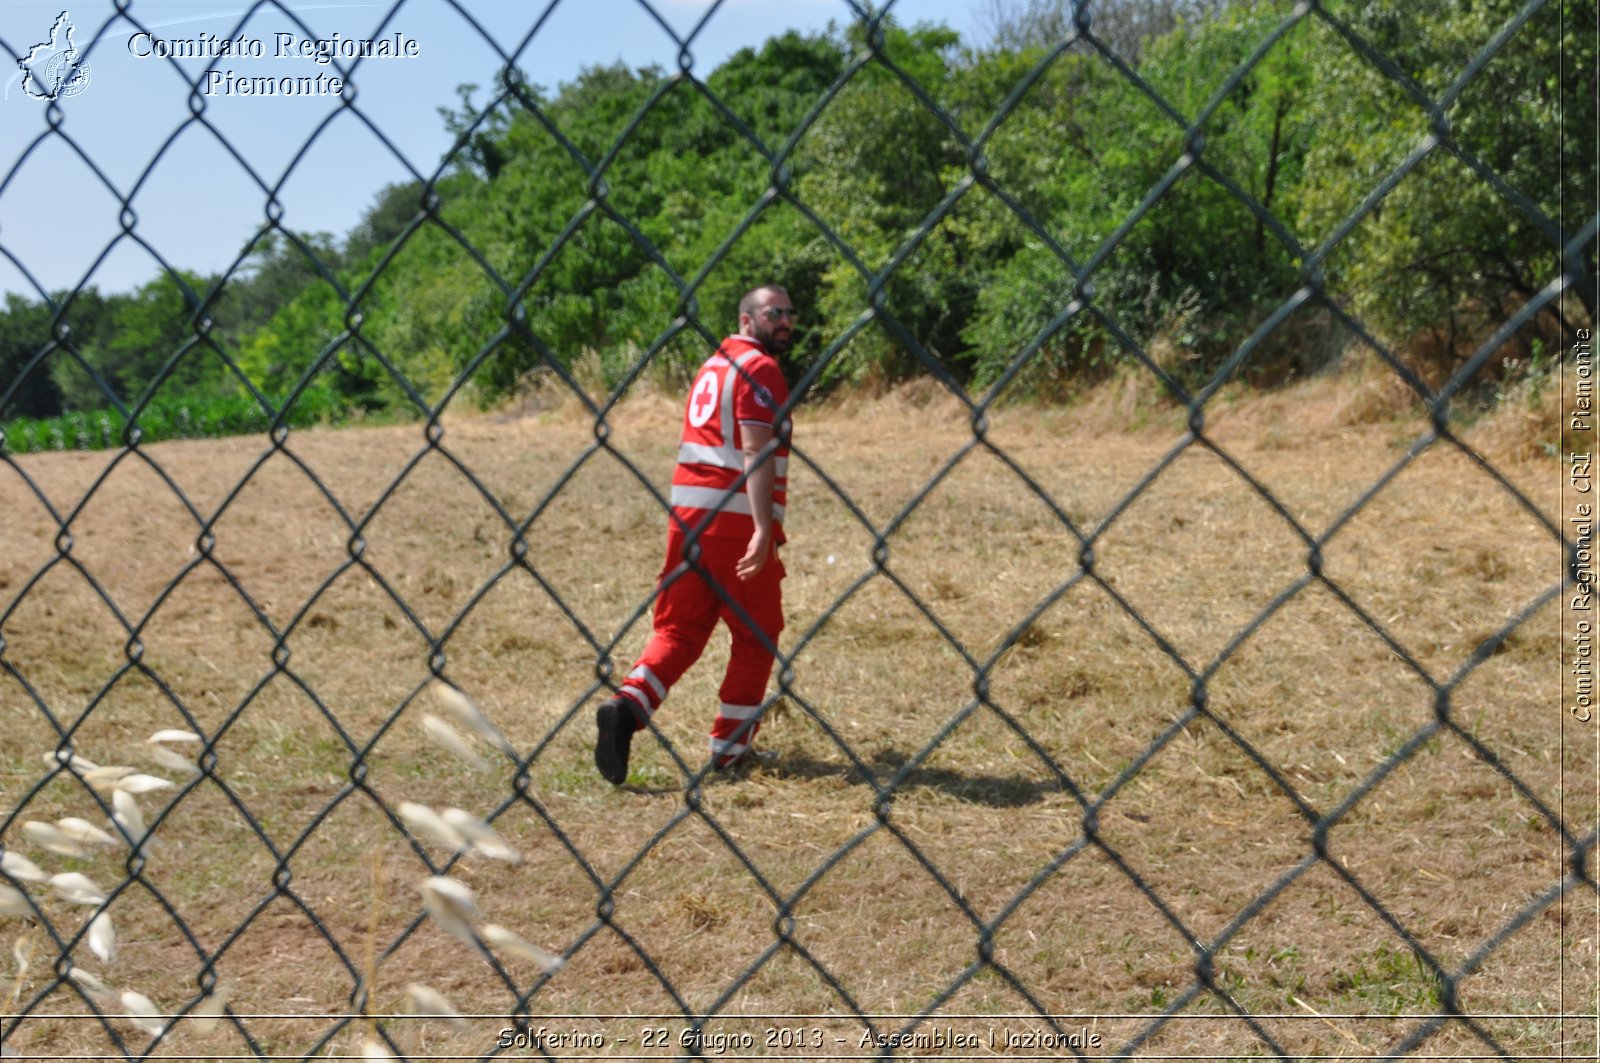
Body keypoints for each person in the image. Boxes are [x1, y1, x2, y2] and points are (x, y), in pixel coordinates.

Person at [594, 284, 796, 784]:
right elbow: (755, 449)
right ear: (747, 319)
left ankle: (627, 709)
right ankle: (730, 750)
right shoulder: (761, 367)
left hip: (687, 520)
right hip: (733, 521)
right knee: (757, 635)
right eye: (775, 313)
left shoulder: (712, 365)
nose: (786, 321)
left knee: (679, 629)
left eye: (791, 313)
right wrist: (764, 526)